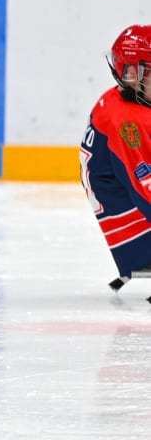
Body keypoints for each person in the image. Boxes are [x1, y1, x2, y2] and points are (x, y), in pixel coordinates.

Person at [80, 25, 151, 285]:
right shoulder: (126, 123)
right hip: (131, 223)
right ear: (131, 74)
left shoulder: (127, 99)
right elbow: (145, 187)